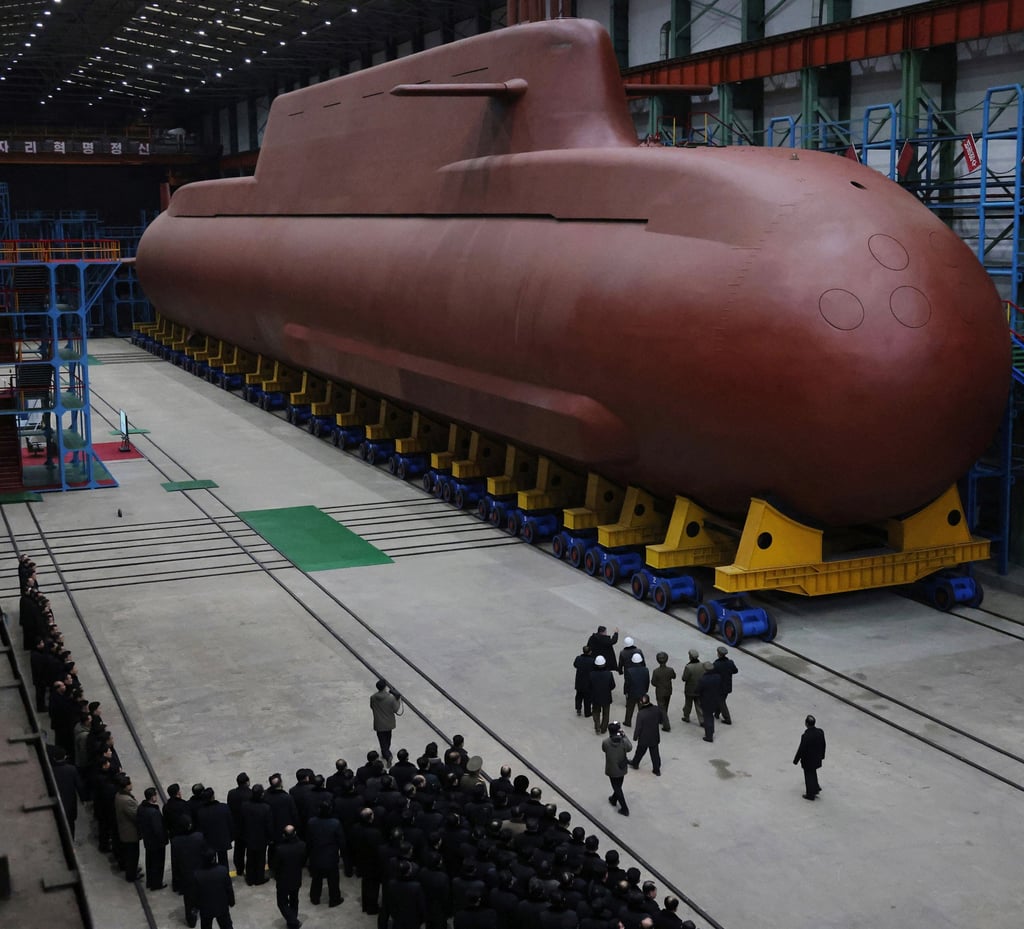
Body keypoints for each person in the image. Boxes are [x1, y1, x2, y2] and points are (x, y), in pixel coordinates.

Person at [306, 800, 345, 907]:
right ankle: (334, 899)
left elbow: (308, 840)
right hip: (331, 856)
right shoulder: (335, 823)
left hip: (316, 855)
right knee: (333, 880)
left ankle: (315, 898)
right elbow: (341, 841)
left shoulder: (312, 822)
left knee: (316, 879)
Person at [274, 824, 307, 929]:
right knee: (294, 900)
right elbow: (303, 861)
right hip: (296, 877)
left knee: (282, 902)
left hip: (283, 880)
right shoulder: (302, 845)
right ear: (295, 833)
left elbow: (276, 865)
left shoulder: (280, 849)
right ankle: (292, 922)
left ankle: (293, 921)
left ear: (284, 835)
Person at [193, 848, 235, 929]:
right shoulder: (222, 871)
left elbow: (195, 894)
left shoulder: (197, 875)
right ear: (214, 858)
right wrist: (231, 901)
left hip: (206, 908)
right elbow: (229, 889)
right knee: (226, 925)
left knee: (206, 926)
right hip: (221, 906)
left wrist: (196, 906)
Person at [137, 786, 168, 890]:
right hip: (157, 843)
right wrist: (164, 839)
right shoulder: (154, 812)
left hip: (148, 840)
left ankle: (150, 882)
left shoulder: (141, 808)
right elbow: (158, 830)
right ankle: (157, 883)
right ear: (152, 797)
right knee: (158, 864)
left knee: (150, 862)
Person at [114, 774, 143, 882]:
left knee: (131, 854)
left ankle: (132, 870)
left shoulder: (119, 795)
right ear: (125, 786)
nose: (131, 785)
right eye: (129, 783)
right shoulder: (126, 800)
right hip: (130, 833)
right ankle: (131, 875)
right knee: (132, 855)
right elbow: (136, 815)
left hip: (125, 830)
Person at [629, 695, 667, 776]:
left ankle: (635, 763)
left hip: (644, 738)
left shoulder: (641, 714)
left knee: (639, 752)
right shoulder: (656, 709)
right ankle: (656, 770)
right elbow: (661, 719)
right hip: (654, 736)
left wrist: (635, 737)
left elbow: (638, 727)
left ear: (641, 702)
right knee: (655, 753)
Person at [602, 722, 632, 816]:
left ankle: (624, 808)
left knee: (617, 787)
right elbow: (630, 748)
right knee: (618, 785)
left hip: (612, 768)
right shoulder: (623, 741)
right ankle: (613, 799)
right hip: (622, 767)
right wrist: (624, 736)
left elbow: (604, 749)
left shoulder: (606, 742)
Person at [370, 678, 402, 765]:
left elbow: (372, 707)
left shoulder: (373, 697)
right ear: (385, 687)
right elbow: (396, 709)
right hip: (389, 723)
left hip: (378, 723)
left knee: (382, 740)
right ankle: (387, 755)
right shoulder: (391, 698)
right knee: (387, 739)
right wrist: (398, 700)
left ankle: (386, 754)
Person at [793, 714, 826, 800]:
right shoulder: (820, 732)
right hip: (817, 758)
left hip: (808, 760)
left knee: (809, 776)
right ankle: (815, 788)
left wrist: (796, 760)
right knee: (813, 773)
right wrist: (822, 756)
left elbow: (801, 749)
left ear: (806, 724)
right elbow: (823, 745)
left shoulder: (806, 736)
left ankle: (810, 794)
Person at [589, 655, 616, 736]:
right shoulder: (609, 674)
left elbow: (589, 686)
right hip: (606, 696)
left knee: (596, 712)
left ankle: (597, 727)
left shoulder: (591, 674)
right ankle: (603, 728)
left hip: (595, 697)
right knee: (606, 713)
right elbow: (613, 686)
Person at [712, 645, 739, 724]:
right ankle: (717, 714)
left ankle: (727, 719)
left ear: (719, 654)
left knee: (721, 702)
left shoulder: (716, 664)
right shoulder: (730, 662)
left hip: (719, 687)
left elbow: (712, 673)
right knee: (721, 700)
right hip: (728, 685)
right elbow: (735, 671)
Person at [623, 652, 650, 727]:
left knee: (630, 708)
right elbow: (647, 681)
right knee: (642, 709)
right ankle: (643, 722)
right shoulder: (646, 670)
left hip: (632, 692)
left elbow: (627, 683)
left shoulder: (629, 670)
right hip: (642, 692)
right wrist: (645, 690)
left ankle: (627, 722)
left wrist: (626, 692)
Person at [696, 662, 721, 743]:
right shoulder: (718, 677)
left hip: (706, 701)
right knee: (711, 716)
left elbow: (698, 690)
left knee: (707, 717)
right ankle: (711, 730)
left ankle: (709, 736)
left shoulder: (703, 679)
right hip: (715, 699)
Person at [680, 649, 705, 726]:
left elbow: (684, 678)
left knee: (688, 704)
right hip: (699, 689)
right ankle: (702, 720)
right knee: (699, 705)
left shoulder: (688, 667)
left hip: (690, 690)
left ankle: (686, 717)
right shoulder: (702, 665)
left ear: (690, 657)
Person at [573, 645, 595, 718]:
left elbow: (575, 665)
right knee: (587, 698)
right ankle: (587, 712)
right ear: (590, 652)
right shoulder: (592, 661)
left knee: (579, 696)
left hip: (579, 680)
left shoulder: (578, 658)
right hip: (588, 682)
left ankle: (578, 708)